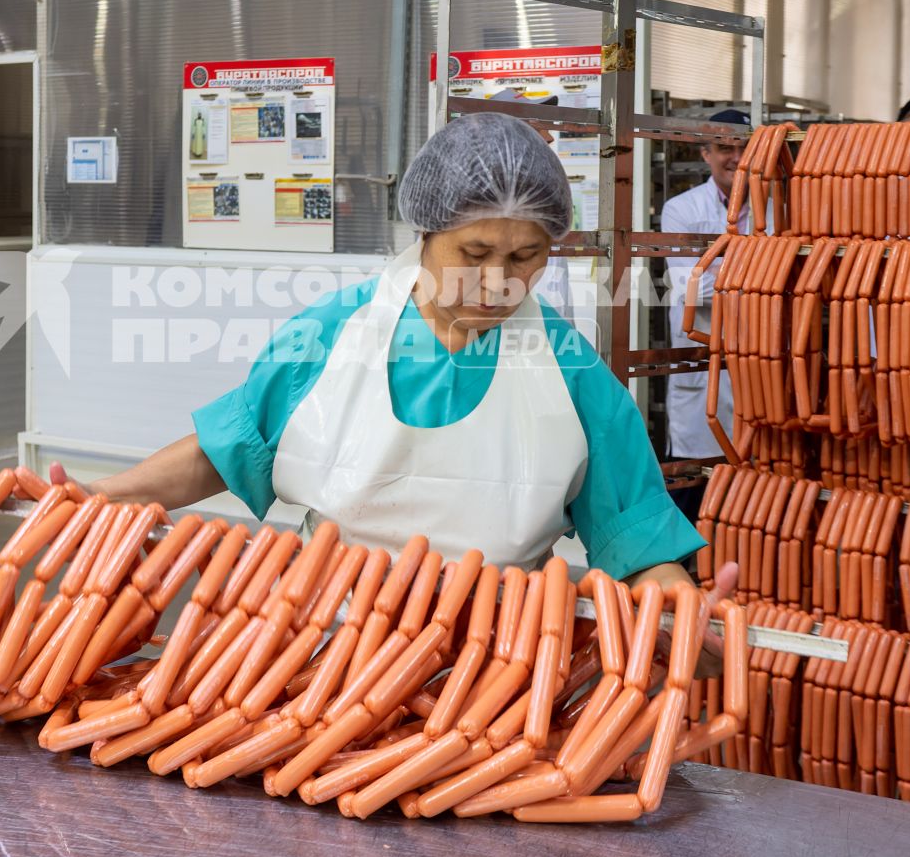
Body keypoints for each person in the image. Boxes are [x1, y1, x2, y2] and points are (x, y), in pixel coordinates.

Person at [62, 112, 734, 603]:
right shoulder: (335, 333)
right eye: (473, 254)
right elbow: (233, 445)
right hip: (321, 637)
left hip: (498, 660)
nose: (497, 281)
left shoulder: (569, 368)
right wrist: (99, 499)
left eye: (525, 257)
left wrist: (673, 602)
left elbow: (634, 528)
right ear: (425, 232)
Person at [659, 108, 750, 521]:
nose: (734, 157)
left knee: (750, 496)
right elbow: (691, 287)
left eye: (742, 147)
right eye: (723, 148)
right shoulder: (680, 209)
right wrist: (762, 274)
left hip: (756, 367)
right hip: (701, 371)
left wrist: (717, 272)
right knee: (694, 496)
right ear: (705, 153)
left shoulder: (780, 209)